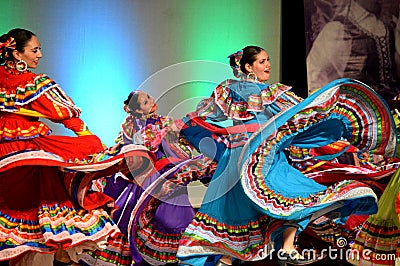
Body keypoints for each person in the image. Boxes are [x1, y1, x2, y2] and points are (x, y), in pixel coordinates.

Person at [175, 46, 394, 265]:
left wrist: (333, 112)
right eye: (262, 61)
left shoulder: (273, 93)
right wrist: (188, 126)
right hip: (238, 159)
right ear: (248, 67)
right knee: (231, 214)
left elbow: (303, 111)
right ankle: (239, 256)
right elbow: (206, 115)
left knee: (296, 195)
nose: (268, 64)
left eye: (268, 59)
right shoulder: (230, 90)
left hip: (266, 157)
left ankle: (286, 248)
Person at [0, 28, 154, 265]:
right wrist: (91, 141)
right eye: (34, 49)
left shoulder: (32, 82)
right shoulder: (34, 83)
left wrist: (90, 139)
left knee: (26, 213)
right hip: (24, 155)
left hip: (18, 154)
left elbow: (66, 116)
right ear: (17, 54)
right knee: (48, 205)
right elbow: (67, 116)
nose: (40, 54)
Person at [79, 90, 216, 265]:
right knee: (141, 217)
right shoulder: (131, 127)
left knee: (179, 215)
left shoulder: (164, 121)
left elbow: (181, 140)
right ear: (136, 110)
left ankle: (183, 258)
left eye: (149, 97)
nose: (151, 101)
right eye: (144, 102)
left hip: (169, 175)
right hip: (146, 179)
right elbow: (130, 149)